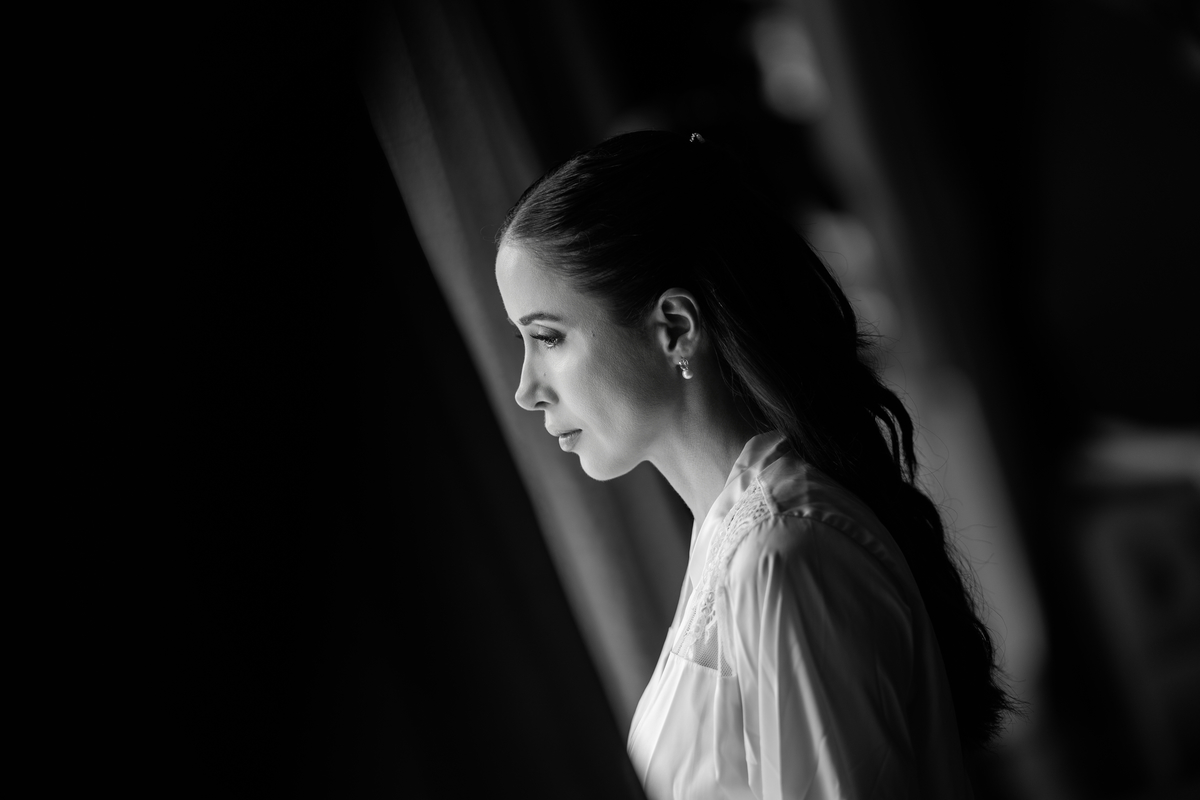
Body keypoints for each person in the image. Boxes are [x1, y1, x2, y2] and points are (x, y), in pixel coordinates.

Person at [494, 131, 1013, 799]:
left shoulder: (782, 553)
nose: (526, 389)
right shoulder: (730, 538)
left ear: (675, 327)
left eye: (547, 337)